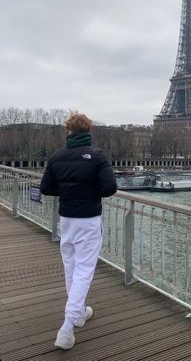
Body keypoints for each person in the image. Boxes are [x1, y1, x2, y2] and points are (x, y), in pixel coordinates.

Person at [40, 111, 117, 350]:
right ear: (88, 131)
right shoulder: (97, 156)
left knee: (71, 267)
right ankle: (67, 326)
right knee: (84, 270)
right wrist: (88, 191)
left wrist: (69, 192)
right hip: (89, 220)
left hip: (67, 220)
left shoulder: (56, 156)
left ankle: (80, 312)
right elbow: (109, 188)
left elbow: (46, 188)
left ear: (68, 131)